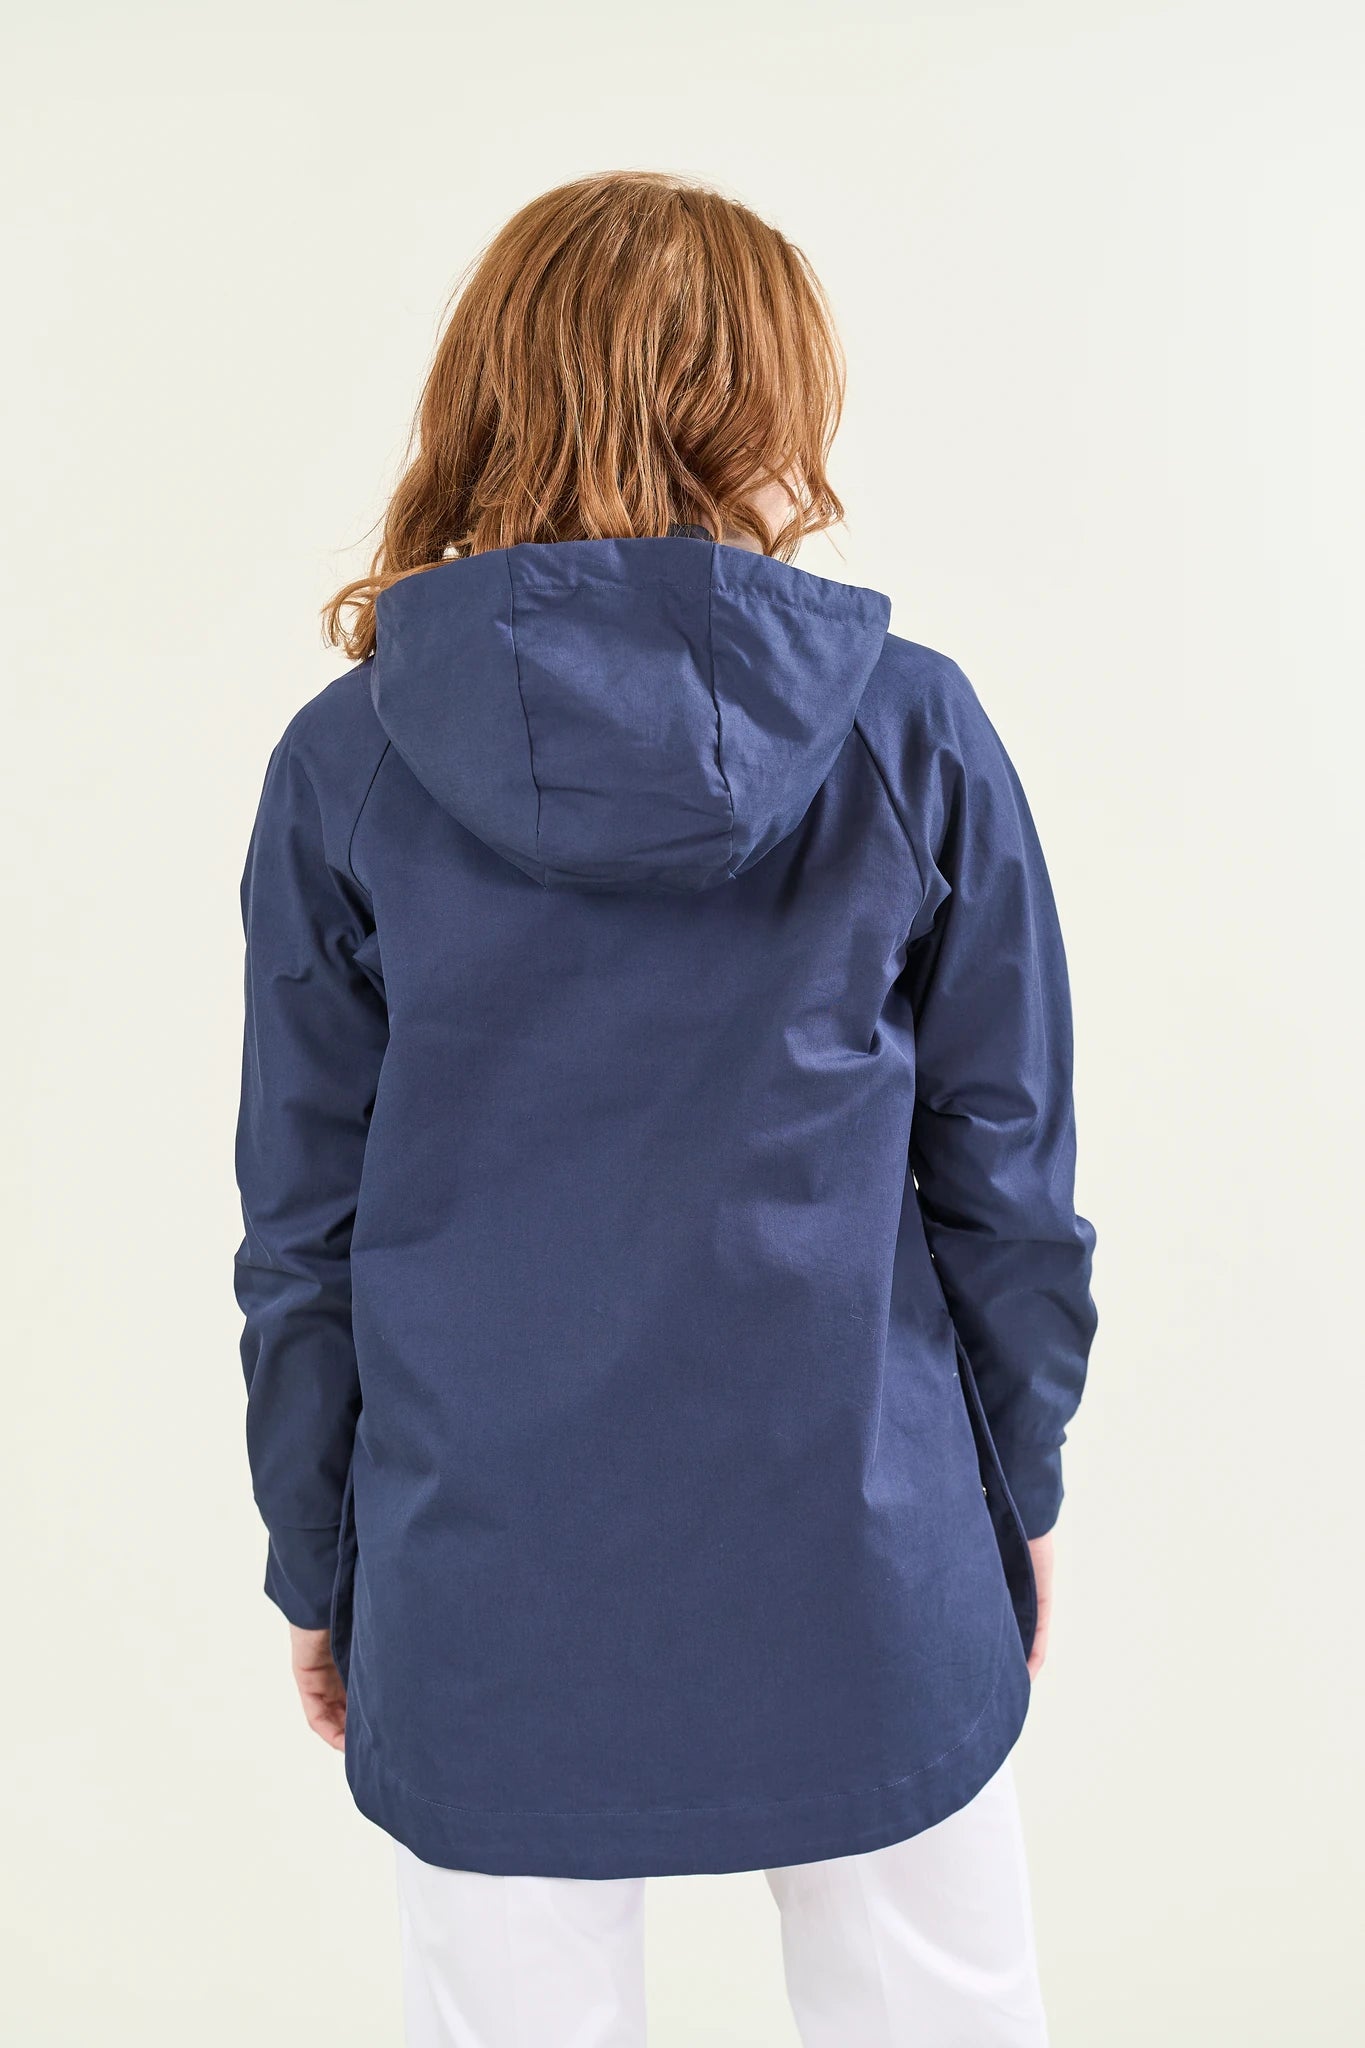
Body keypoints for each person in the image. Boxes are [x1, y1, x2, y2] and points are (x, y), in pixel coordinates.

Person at [234, 169, 1098, 2048]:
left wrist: (317, 1552)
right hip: (867, 1545)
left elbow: (304, 1231)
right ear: (765, 403)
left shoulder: (346, 762)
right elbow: (1007, 1183)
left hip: (483, 1567)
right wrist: (1013, 1487)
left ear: (492, 387)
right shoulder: (908, 729)